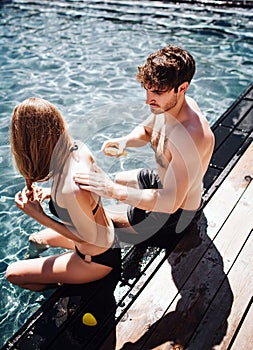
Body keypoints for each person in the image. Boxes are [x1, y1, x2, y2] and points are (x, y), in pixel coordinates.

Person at [74, 44, 215, 248]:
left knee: (92, 220)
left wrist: (112, 191)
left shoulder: (191, 136)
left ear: (182, 88)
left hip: (175, 216)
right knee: (116, 179)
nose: (148, 100)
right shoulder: (169, 105)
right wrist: (125, 141)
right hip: (165, 183)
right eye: (147, 90)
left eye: (157, 91)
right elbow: (148, 131)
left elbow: (171, 202)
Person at [6, 97, 121, 291]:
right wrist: (50, 193)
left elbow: (87, 238)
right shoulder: (78, 149)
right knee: (36, 240)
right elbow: (89, 194)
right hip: (107, 239)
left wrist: (40, 216)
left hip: (95, 261)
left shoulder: (69, 190)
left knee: (13, 273)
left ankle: (67, 286)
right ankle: (60, 274)